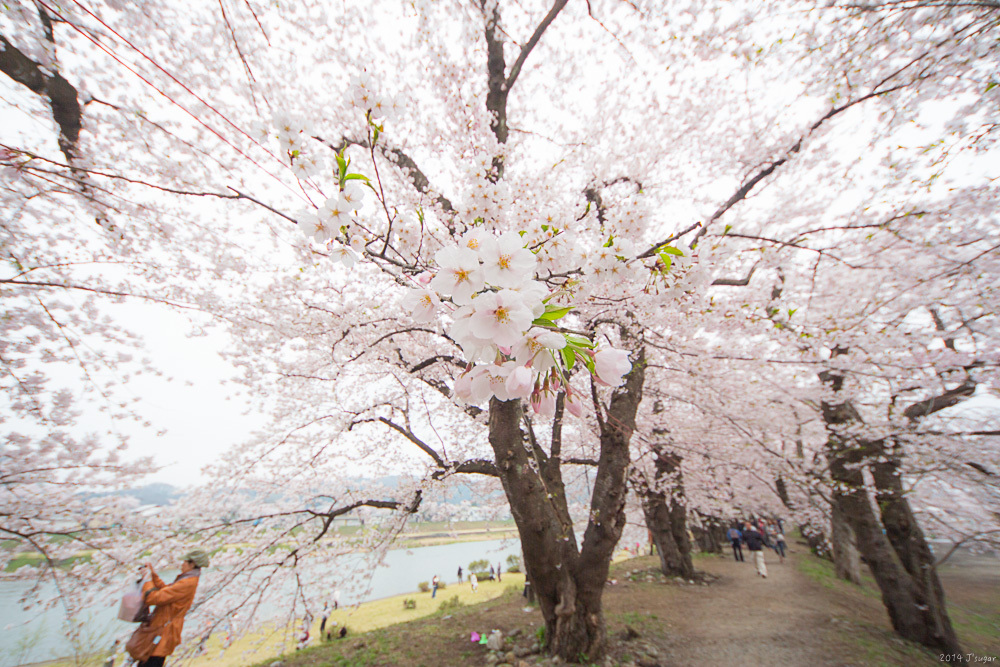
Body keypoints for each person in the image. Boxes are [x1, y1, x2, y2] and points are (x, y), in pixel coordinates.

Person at [127, 548, 208, 666]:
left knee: (151, 662)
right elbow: (166, 591)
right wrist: (153, 575)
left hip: (163, 632)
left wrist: (147, 580)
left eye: (184, 562)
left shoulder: (187, 582)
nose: (182, 564)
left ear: (192, 564)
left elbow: (153, 598)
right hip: (162, 630)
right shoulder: (186, 580)